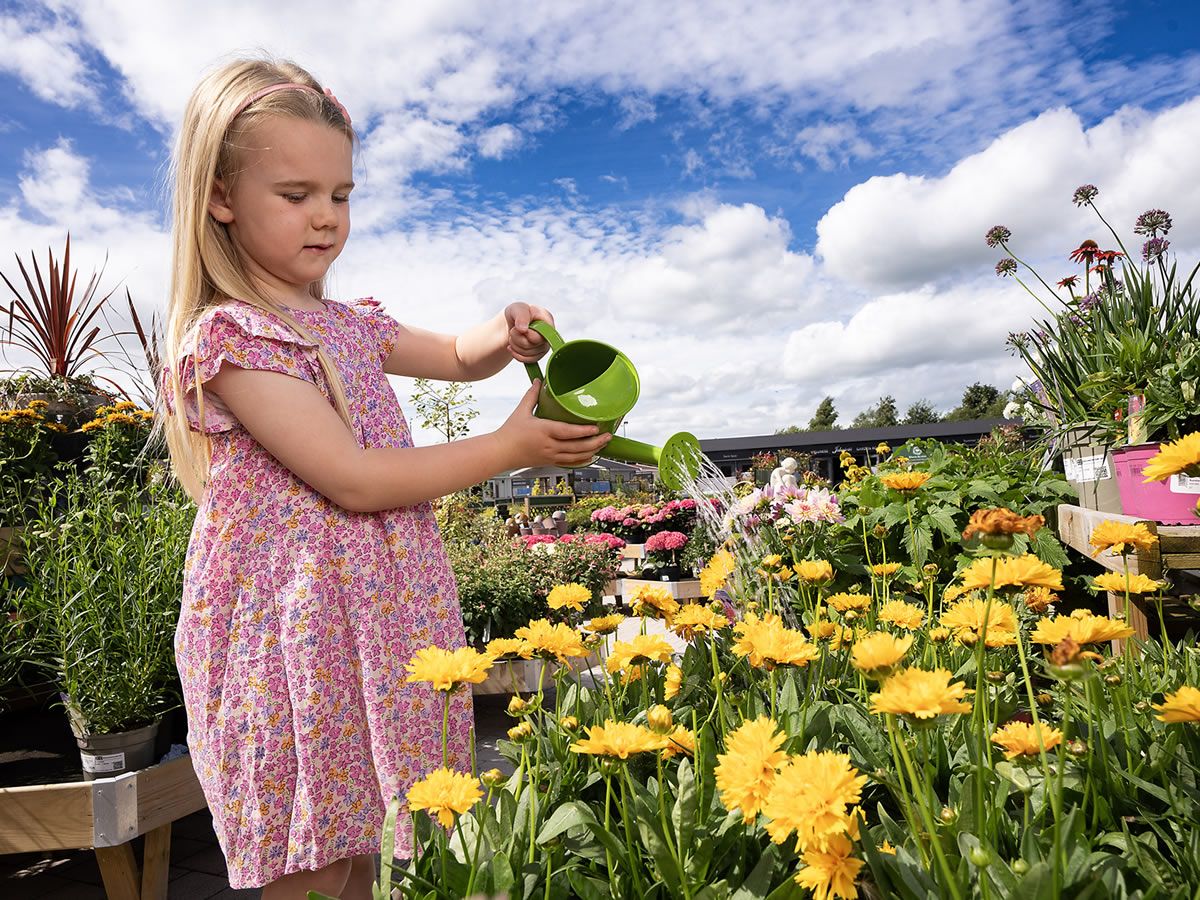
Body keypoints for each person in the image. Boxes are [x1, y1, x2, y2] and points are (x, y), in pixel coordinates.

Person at [156, 57, 611, 900]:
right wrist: (512, 447)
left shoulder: (348, 324)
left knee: (360, 837)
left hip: (369, 612)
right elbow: (355, 479)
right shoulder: (232, 339)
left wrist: (507, 331)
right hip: (289, 635)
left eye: (342, 194)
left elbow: (454, 357)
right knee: (309, 853)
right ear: (220, 197)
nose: (326, 218)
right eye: (295, 196)